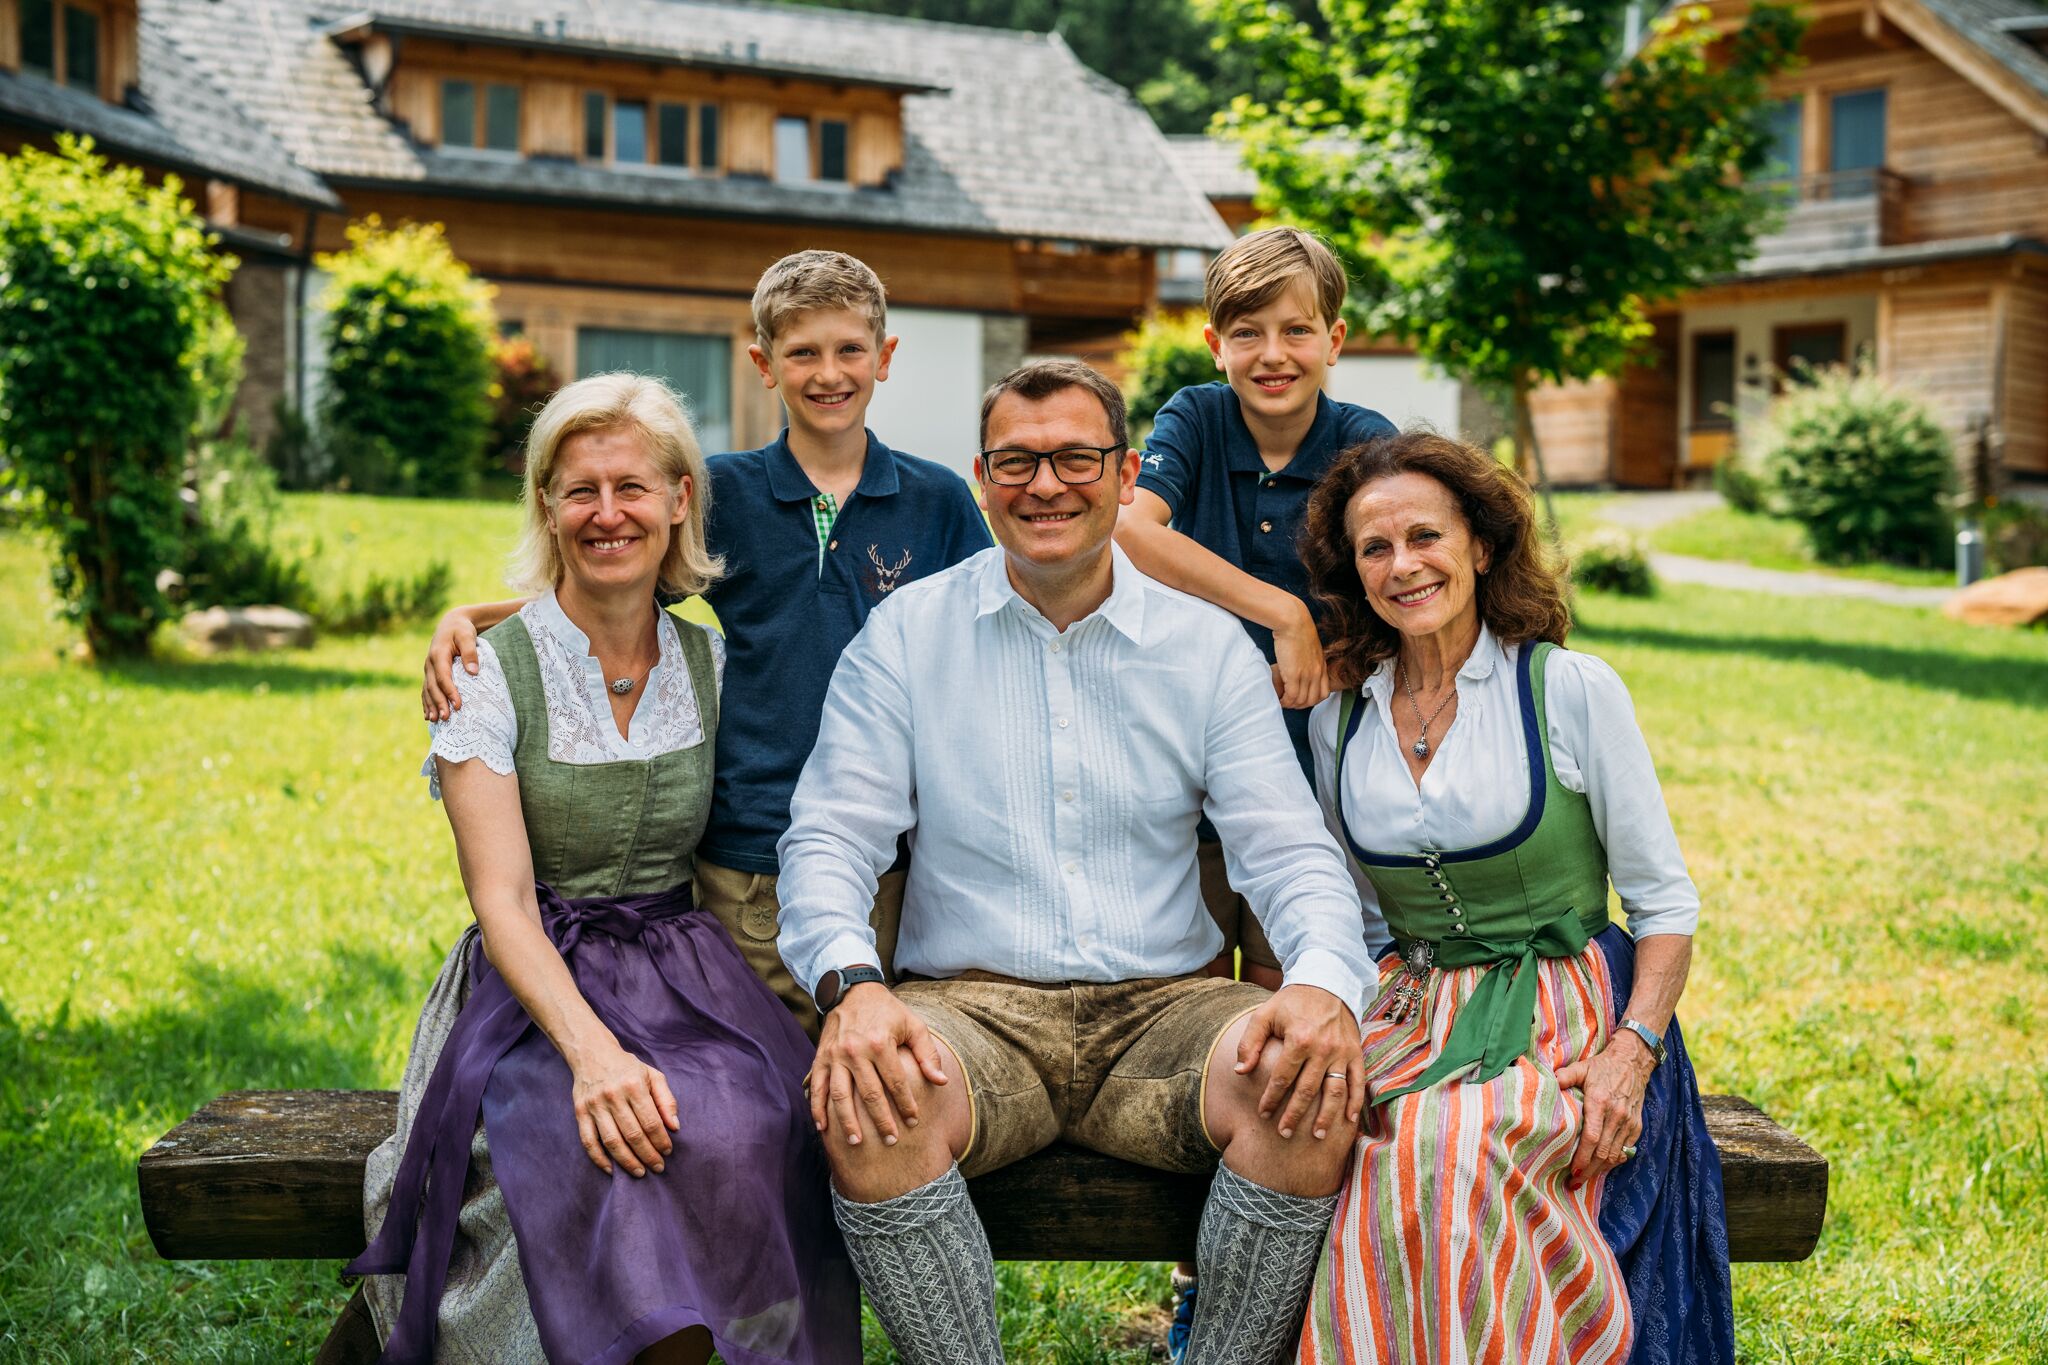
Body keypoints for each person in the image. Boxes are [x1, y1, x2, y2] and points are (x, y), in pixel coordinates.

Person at [776, 359, 1379, 1365]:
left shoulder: (1201, 648)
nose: (1044, 484)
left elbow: (1285, 850)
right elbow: (831, 837)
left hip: (1166, 1009)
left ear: (1125, 469)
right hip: (968, 1010)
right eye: (1016, 461)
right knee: (867, 1100)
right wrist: (853, 985)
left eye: (1073, 458)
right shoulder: (907, 636)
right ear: (979, 479)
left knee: (1304, 1085)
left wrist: (1320, 980)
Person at [352, 374, 859, 1365]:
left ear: (680, 500)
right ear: (546, 505)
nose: (607, 512)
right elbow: (498, 898)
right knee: (588, 1160)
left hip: (684, 970)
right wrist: (591, 1056)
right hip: (529, 984)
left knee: (749, 1131)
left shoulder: (714, 665)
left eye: (632, 487)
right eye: (579, 490)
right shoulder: (487, 671)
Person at [421, 250, 992, 1038]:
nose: (828, 372)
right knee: (773, 1073)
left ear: (884, 357)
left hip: (898, 845)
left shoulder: (937, 502)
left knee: (883, 1068)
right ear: (764, 364)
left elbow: (989, 638)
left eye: (849, 349)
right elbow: (615, 579)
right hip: (753, 846)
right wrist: (477, 615)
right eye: (802, 352)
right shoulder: (727, 492)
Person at [1293, 431, 1731, 1365]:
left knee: (1452, 1153)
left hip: (1561, 1006)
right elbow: (1358, 914)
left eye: (1426, 536)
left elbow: (1665, 904)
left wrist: (1633, 1050)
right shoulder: (1341, 719)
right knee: (1340, 1142)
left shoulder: (1567, 689)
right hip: (1407, 1006)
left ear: (1480, 545)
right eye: (1376, 548)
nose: (1404, 564)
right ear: (1354, 569)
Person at [1113, 225, 1395, 1352]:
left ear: (1335, 339)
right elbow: (1135, 531)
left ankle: (1275, 1297)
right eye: (1245, 332)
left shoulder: (1364, 440)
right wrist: (1277, 608)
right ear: (1212, 341)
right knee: (1193, 1021)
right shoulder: (1192, 417)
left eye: (1294, 331)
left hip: (1312, 779)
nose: (1270, 353)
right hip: (1184, 770)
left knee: (1287, 1007)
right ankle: (1197, 1282)